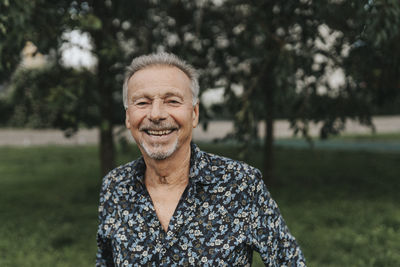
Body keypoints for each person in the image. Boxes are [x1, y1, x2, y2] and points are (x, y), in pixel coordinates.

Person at [96, 52, 306, 266]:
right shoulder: (115, 186)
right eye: (142, 102)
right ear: (128, 117)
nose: (156, 114)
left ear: (194, 114)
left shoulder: (241, 184)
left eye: (172, 101)